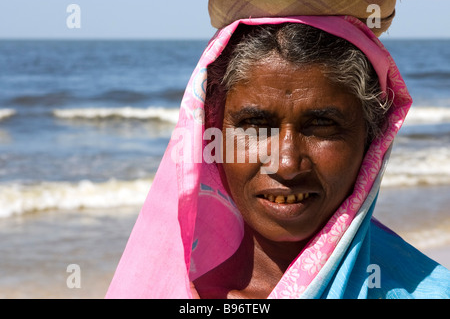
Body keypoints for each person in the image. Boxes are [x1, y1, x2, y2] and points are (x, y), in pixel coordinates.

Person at [106, 15, 450, 299]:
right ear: (211, 133)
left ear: (371, 140)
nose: (286, 164)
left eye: (321, 125)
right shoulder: (160, 287)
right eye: (255, 125)